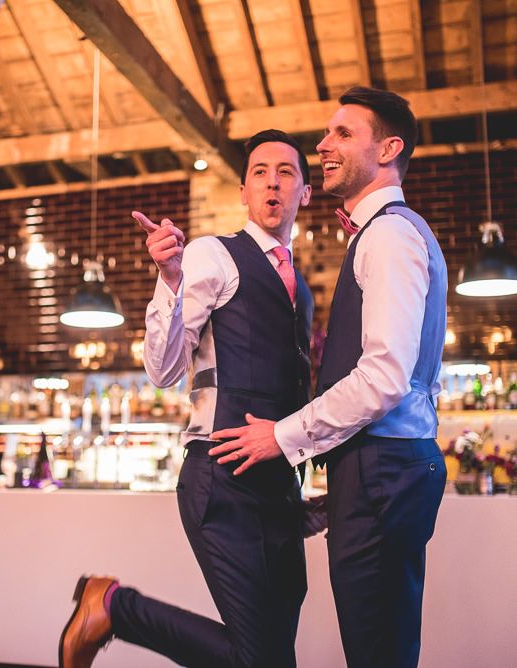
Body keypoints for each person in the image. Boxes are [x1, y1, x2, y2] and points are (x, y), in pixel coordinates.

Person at [210, 87, 448, 668]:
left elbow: (385, 377)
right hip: (379, 471)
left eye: (343, 133)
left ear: (388, 149)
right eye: (326, 133)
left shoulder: (388, 234)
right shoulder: (383, 233)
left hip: (381, 472)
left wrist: (283, 436)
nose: (323, 144)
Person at [58, 129, 314, 668]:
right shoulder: (213, 255)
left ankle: (110, 607)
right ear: (243, 191)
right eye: (260, 172)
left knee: (272, 658)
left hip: (281, 490)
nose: (272, 182)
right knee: (262, 659)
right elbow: (164, 368)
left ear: (305, 193)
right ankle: (115, 608)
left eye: (286, 172)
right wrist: (170, 279)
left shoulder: (301, 289)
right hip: (222, 478)